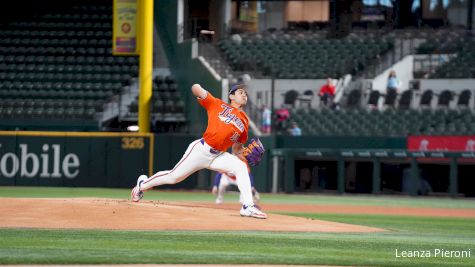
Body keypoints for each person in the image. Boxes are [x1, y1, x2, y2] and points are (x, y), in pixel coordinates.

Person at [131, 83, 267, 219]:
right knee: (173, 177)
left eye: (246, 94)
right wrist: (200, 90)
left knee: (241, 166)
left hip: (218, 155)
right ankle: (141, 186)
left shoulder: (244, 121)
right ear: (231, 95)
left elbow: (236, 149)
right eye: (241, 92)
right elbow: (195, 88)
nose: (244, 95)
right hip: (201, 150)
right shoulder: (217, 104)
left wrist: (246, 154)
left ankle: (247, 206)